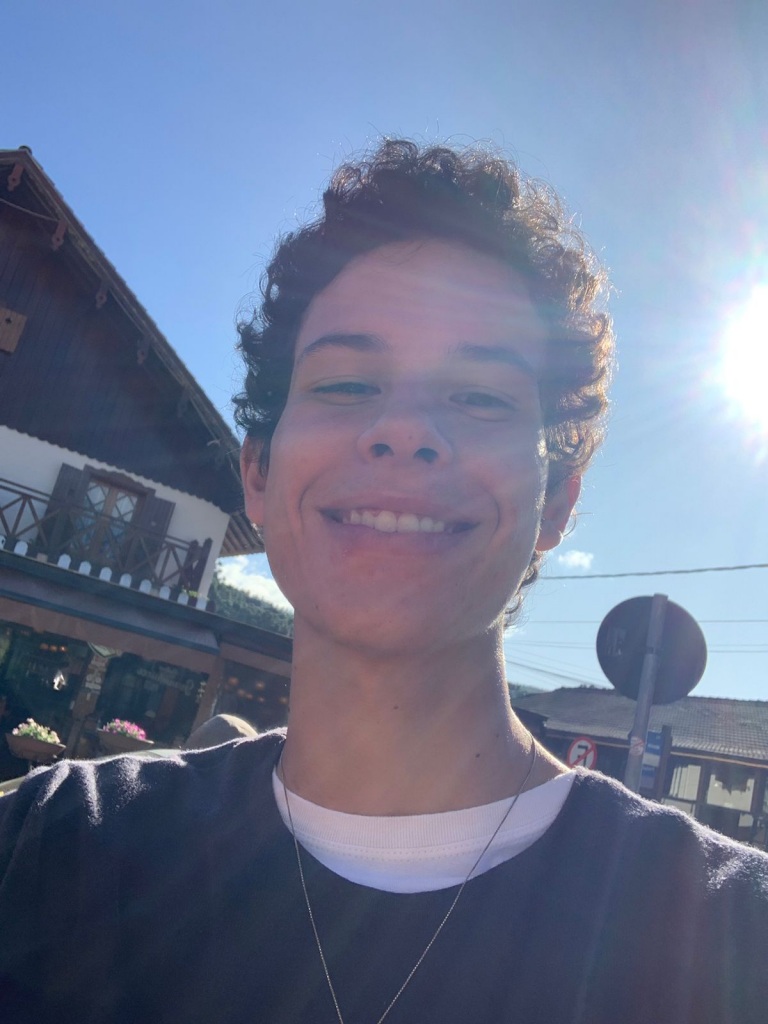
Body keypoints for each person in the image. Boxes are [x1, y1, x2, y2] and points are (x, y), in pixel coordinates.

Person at [0, 139, 766, 1024]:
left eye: (480, 396)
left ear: (557, 502)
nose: (405, 431)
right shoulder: (52, 847)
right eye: (348, 383)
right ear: (257, 471)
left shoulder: (730, 939)